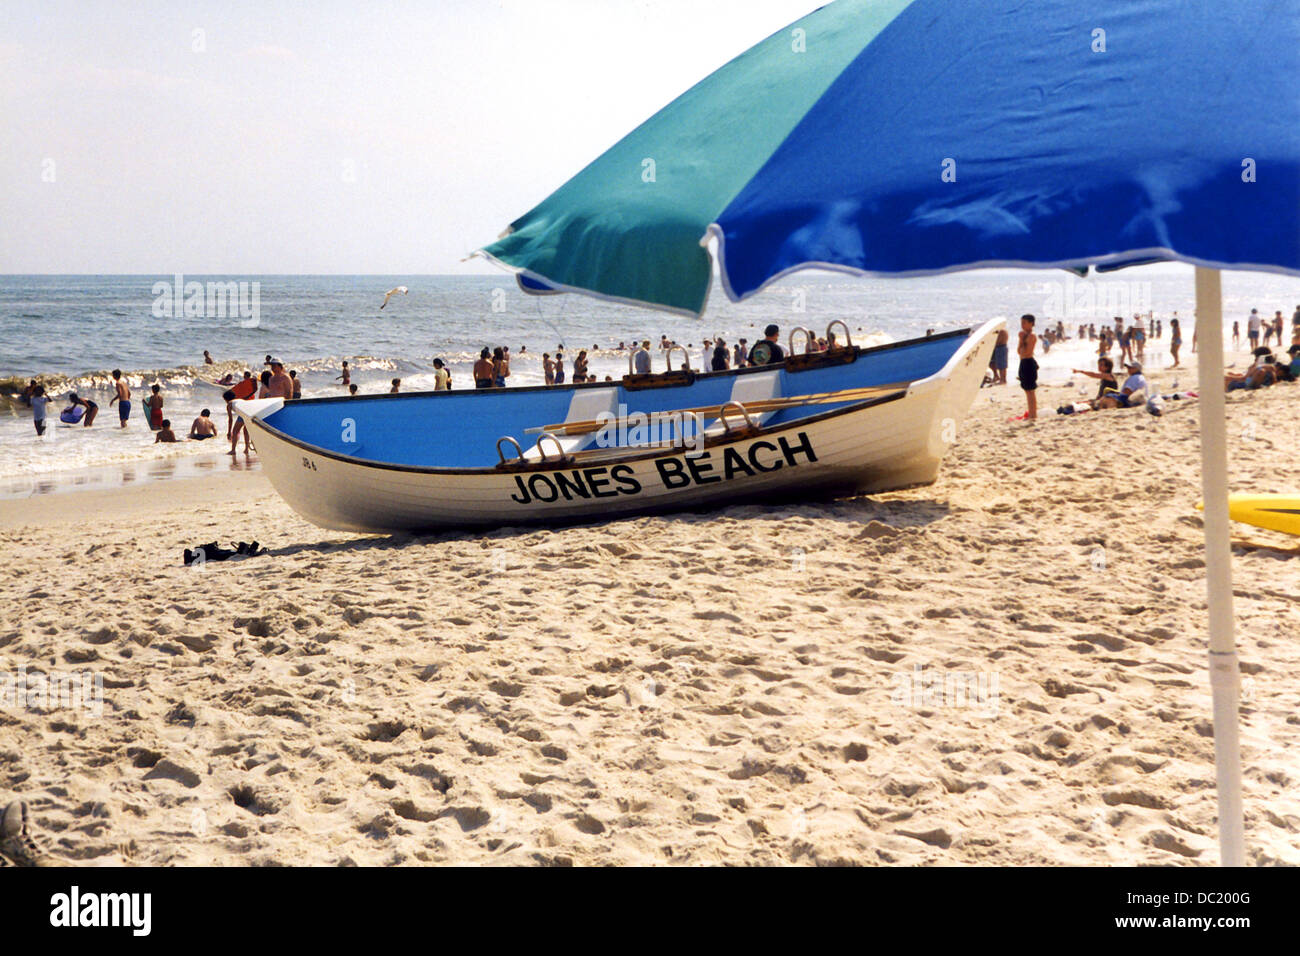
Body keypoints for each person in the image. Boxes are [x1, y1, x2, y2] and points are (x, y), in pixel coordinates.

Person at [1016, 314, 1038, 420]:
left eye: (1024, 323)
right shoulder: (1023, 335)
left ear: (1031, 323)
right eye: (1021, 322)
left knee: (1031, 390)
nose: (1022, 325)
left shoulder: (1032, 336)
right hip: (1023, 362)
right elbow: (1018, 351)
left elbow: (1027, 352)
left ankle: (1033, 414)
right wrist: (1021, 340)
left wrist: (1023, 341)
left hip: (1029, 362)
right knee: (1026, 389)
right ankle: (1031, 413)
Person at [224, 389, 252, 454]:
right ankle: (246, 449)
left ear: (226, 399)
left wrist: (229, 432)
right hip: (250, 412)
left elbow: (230, 419)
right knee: (246, 430)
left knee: (235, 431)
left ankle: (233, 450)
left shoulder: (229, 404)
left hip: (243, 413)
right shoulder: (240, 400)